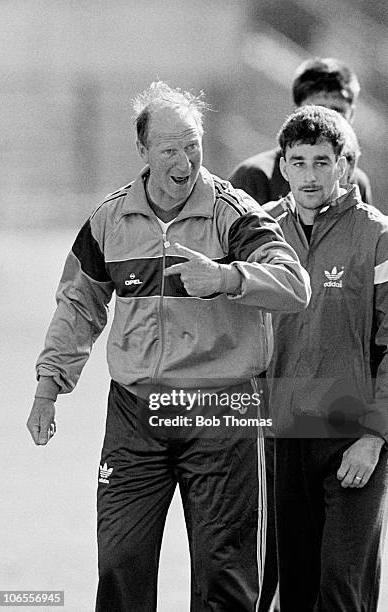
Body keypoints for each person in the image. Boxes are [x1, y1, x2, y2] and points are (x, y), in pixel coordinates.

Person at [26, 81, 310, 612]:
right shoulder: (110, 220)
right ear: (143, 152)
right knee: (118, 564)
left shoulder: (234, 212)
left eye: (194, 144)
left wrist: (228, 279)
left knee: (224, 579)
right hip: (136, 417)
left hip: (223, 413)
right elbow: (78, 307)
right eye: (170, 148)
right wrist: (48, 388)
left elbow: (294, 285)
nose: (185, 160)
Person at [264, 105, 388, 611]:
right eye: (299, 162)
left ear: (343, 164)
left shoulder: (376, 235)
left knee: (342, 588)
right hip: (283, 429)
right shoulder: (263, 231)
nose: (309, 174)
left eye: (321, 161)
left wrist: (375, 436)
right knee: (296, 589)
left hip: (353, 436)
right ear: (284, 165)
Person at [230, 57, 372, 205]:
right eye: (318, 109)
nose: (327, 120)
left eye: (337, 111)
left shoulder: (356, 182)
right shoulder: (255, 176)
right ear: (296, 112)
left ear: (352, 115)